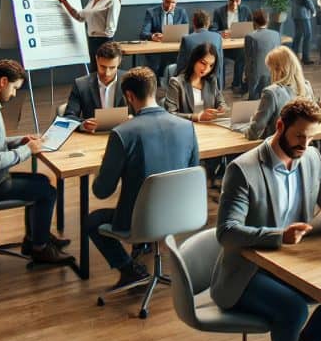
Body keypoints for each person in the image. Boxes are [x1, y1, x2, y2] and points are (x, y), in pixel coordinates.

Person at [212, 98, 321, 341]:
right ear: (280, 126)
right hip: (248, 271)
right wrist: (278, 235)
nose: (305, 144)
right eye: (300, 135)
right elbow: (227, 232)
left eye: (311, 136)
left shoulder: (311, 158)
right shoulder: (243, 169)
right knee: (293, 308)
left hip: (295, 262)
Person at [88, 67, 200, 288]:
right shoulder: (187, 126)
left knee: (92, 221)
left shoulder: (123, 133)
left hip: (139, 220)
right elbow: (193, 171)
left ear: (129, 96)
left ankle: (128, 269)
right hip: (181, 213)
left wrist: (103, 167)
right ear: (155, 90)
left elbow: (102, 191)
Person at [0, 59, 72, 265]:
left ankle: (35, 238)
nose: (14, 94)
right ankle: (40, 248)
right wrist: (27, 150)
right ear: (3, 81)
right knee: (47, 192)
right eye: (15, 88)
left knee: (42, 183)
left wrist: (21, 140)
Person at [58, 0, 121, 71]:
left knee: (102, 74)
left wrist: (102, 45)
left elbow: (110, 30)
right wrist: (65, 2)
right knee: (94, 75)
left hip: (104, 43)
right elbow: (80, 17)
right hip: (92, 42)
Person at [245, 46, 315, 140]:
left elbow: (253, 134)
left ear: (279, 70)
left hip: (276, 148)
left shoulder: (271, 93)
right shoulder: (306, 86)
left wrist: (247, 126)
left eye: (270, 69)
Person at [62, 41, 127, 132]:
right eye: (103, 67)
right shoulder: (81, 85)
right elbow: (68, 117)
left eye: (112, 68)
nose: (107, 73)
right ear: (96, 59)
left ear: (119, 62)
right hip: (92, 138)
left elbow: (143, 112)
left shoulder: (129, 81)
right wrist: (83, 124)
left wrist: (134, 119)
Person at [165, 42, 228, 122]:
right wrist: (198, 117)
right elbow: (170, 115)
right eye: (203, 63)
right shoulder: (176, 83)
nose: (206, 69)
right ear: (194, 60)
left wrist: (221, 108)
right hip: (186, 128)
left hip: (209, 128)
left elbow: (221, 102)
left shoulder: (211, 81)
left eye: (211, 65)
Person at [211, 0, 254, 92]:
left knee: (243, 54)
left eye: (237, 1)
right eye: (231, 0)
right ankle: (221, 86)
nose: (234, 4)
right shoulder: (219, 11)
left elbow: (253, 26)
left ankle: (237, 83)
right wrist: (221, 33)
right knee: (220, 57)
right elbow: (212, 30)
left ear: (241, 0)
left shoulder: (245, 10)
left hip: (238, 45)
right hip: (224, 47)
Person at [139, 0, 188, 77]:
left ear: (177, 2)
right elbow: (143, 33)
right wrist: (153, 36)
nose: (170, 5)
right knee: (154, 67)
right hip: (157, 51)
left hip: (175, 50)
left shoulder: (181, 12)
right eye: (167, 2)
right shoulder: (151, 12)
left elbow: (186, 33)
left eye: (173, 3)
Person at [176, 10, 224, 87]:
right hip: (212, 80)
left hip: (191, 81)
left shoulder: (186, 39)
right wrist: (220, 87)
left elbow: (181, 66)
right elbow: (220, 64)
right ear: (208, 23)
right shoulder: (218, 37)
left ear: (194, 23)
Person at [243, 9, 282, 99]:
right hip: (274, 73)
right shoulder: (276, 34)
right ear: (267, 20)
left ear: (254, 21)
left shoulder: (250, 37)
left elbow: (248, 59)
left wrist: (246, 75)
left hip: (256, 75)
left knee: (254, 100)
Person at [288, 0, 317, 65]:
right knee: (308, 34)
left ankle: (293, 58)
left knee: (298, 35)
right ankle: (305, 58)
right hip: (303, 12)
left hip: (295, 10)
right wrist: (312, 9)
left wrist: (295, 2)